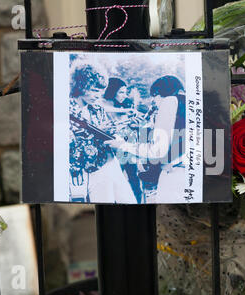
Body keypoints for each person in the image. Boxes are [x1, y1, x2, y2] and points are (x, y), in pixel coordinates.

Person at [105, 75, 186, 203]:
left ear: (159, 93)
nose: (153, 102)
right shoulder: (185, 102)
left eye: (154, 96)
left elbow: (157, 150)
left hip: (174, 173)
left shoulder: (169, 101)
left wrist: (121, 145)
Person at [69, 64, 136, 204]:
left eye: (101, 91)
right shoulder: (68, 110)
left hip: (111, 162)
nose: (98, 95)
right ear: (80, 86)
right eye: (94, 90)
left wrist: (119, 131)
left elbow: (108, 132)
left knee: (131, 202)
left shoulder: (97, 108)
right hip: (92, 172)